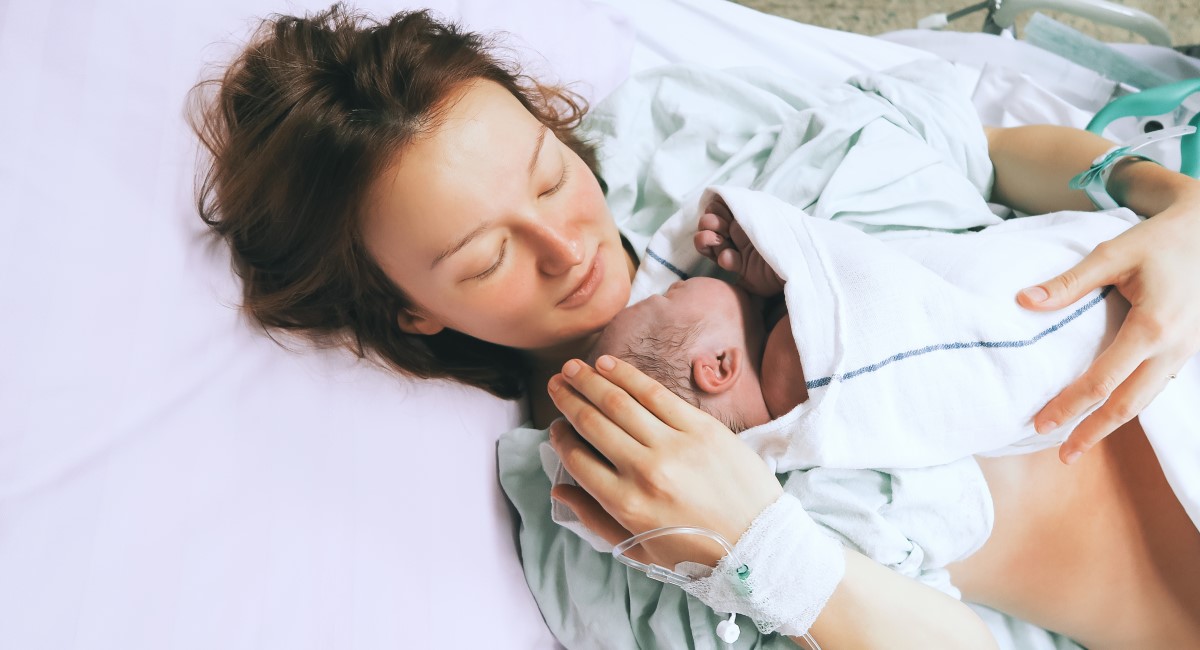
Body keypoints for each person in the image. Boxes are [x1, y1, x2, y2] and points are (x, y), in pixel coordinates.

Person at [189, 5, 1200, 647]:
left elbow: (979, 151)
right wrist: (768, 548)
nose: (564, 241)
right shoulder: (593, 506)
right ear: (412, 308)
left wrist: (1167, 203)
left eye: (549, 171)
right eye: (486, 256)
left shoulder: (683, 141)